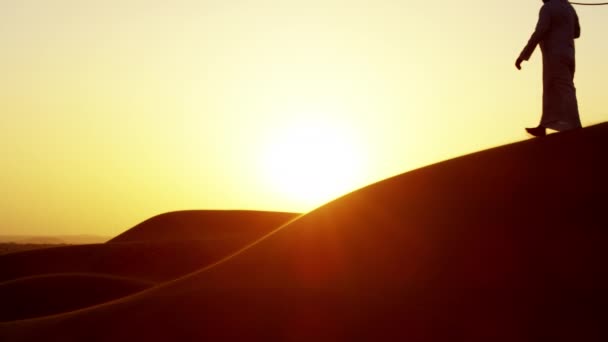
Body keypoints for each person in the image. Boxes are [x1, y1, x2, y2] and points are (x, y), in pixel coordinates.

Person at [516, 0, 582, 137]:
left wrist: (523, 55)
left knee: (565, 90)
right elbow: (577, 33)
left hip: (554, 56)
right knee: (550, 89)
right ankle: (543, 125)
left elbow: (540, 31)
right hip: (568, 55)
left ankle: (576, 126)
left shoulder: (547, 8)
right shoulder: (569, 7)